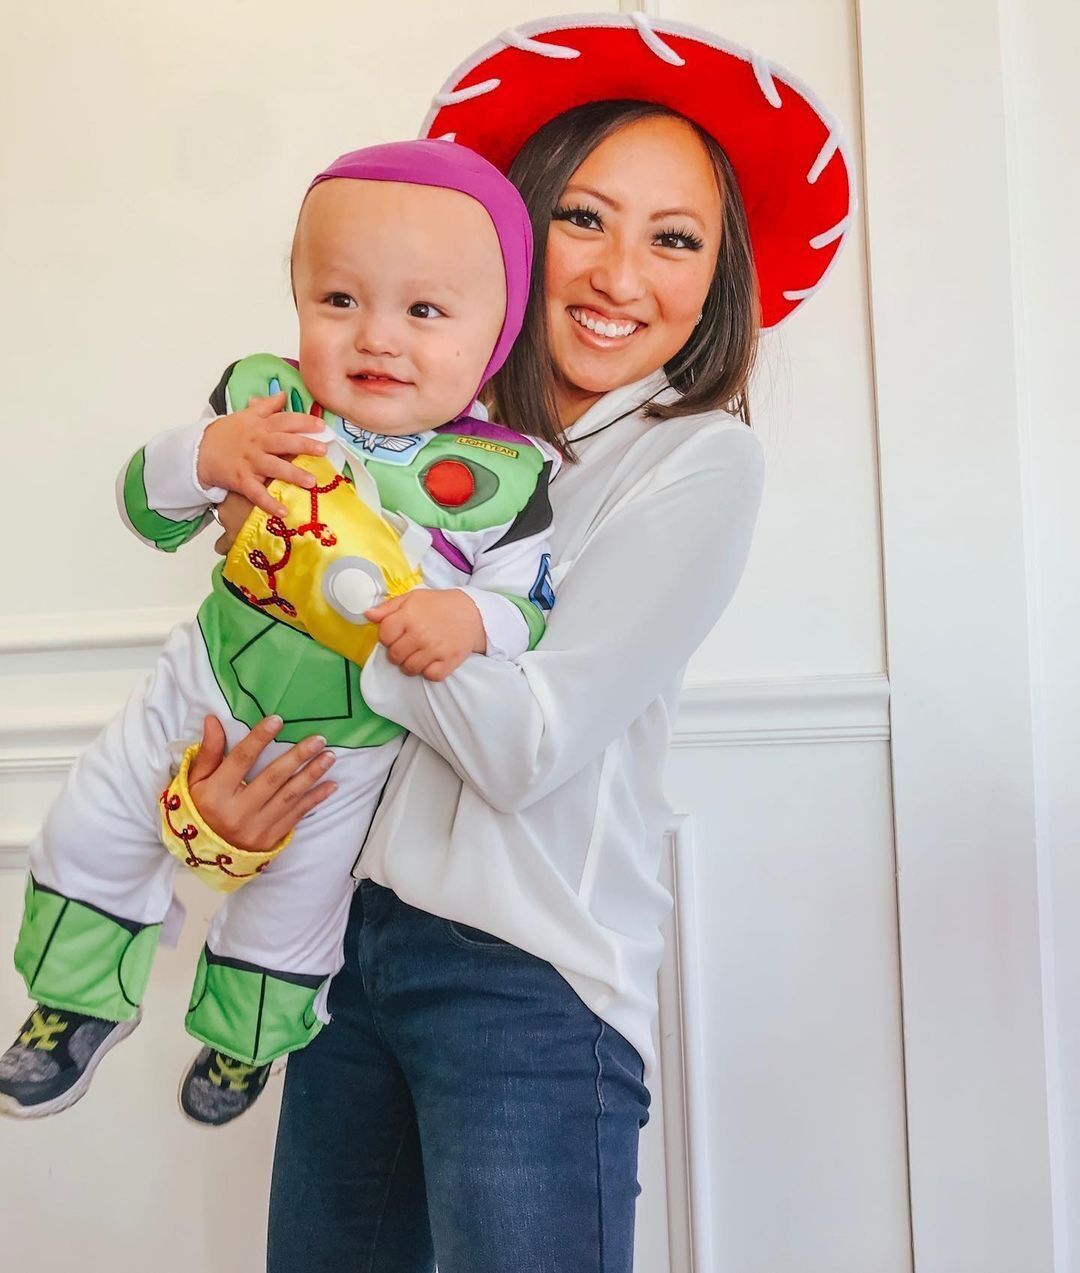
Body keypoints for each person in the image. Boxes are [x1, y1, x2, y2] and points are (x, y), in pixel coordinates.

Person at [101, 16, 854, 1272]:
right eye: (584, 219)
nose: (623, 274)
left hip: (528, 985)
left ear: (718, 280)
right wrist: (216, 818)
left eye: (676, 240)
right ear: (512, 234)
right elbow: (267, 690)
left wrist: (317, 582)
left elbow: (525, 746)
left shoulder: (696, 459)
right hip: (342, 958)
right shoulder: (403, 438)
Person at [0, 140, 561, 1127]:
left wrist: (469, 614)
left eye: (424, 310)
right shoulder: (270, 406)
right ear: (297, 297)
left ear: (498, 330)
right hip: (205, 680)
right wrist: (204, 453)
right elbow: (150, 506)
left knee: (296, 907)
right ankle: (75, 1000)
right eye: (339, 300)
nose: (376, 338)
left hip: (343, 746)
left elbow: (531, 605)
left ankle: (245, 1038)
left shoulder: (500, 481)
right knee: (93, 824)